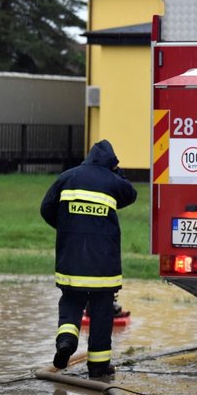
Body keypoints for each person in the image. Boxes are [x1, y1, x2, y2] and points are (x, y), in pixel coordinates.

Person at [41, 140, 137, 379]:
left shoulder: (67, 177)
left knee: (71, 302)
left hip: (71, 259)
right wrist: (118, 174)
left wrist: (67, 226)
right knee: (102, 313)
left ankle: (66, 342)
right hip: (103, 264)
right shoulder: (113, 182)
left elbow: (46, 208)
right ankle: (98, 367)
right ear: (111, 163)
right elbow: (130, 194)